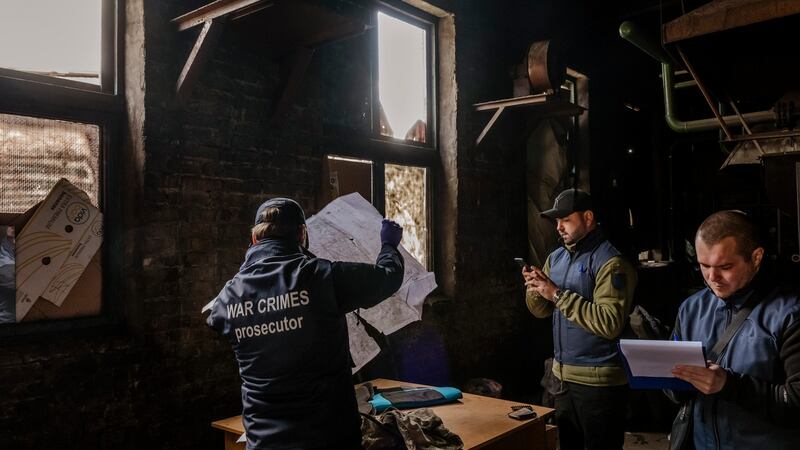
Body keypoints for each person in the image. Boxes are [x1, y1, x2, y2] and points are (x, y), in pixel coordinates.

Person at [206, 197, 405, 450]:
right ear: (302, 234)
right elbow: (387, 277)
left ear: (254, 239)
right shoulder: (323, 278)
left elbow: (216, 320)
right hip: (328, 438)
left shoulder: (228, 297)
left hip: (264, 442)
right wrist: (388, 245)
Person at [669, 210, 800, 449]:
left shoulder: (790, 313)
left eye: (725, 266)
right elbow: (675, 392)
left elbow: (796, 402)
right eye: (703, 265)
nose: (712, 277)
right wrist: (668, 378)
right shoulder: (690, 309)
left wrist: (729, 385)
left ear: (756, 257)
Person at [522, 188, 637, 450]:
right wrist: (535, 289)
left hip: (599, 383)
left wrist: (557, 294)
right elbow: (540, 311)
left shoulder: (611, 262)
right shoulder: (557, 258)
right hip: (562, 378)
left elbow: (609, 323)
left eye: (566, 220)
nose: (559, 227)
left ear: (588, 217)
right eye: (557, 222)